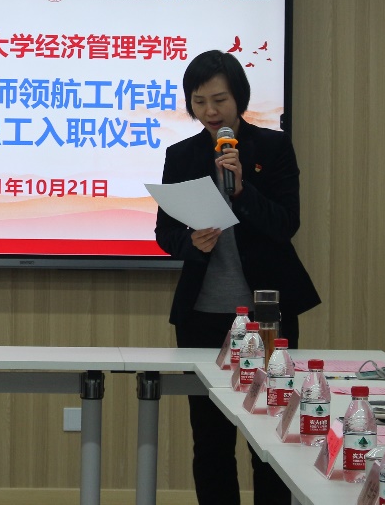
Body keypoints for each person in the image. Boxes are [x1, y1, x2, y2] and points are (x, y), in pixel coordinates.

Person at [154, 50, 319, 505]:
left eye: (219, 100)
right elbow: (165, 233)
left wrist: (243, 192)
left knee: (270, 434)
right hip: (202, 315)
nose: (210, 111)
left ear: (239, 98)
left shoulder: (272, 148)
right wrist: (192, 242)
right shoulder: (181, 156)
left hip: (267, 317)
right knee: (210, 438)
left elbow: (286, 224)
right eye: (199, 101)